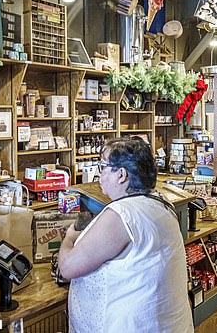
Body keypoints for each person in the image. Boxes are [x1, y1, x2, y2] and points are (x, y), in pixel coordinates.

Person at [58, 137, 193, 333]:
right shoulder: (160, 203)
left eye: (103, 167)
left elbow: (68, 268)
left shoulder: (123, 214)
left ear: (121, 174)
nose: (100, 174)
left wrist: (70, 237)